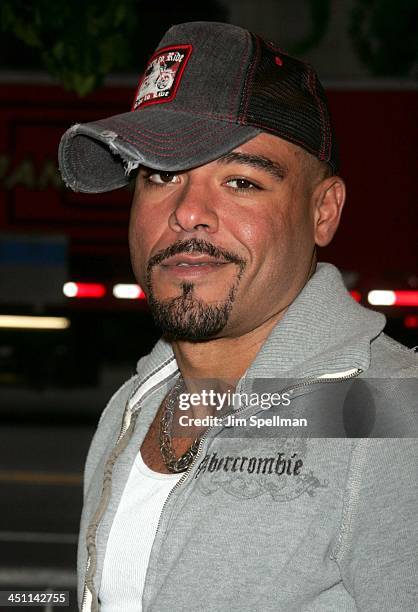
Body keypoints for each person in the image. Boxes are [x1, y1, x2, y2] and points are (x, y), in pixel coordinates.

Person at [59, 21, 418, 612]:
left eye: (240, 181)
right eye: (161, 175)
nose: (188, 213)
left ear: (323, 211)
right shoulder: (132, 408)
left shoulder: (391, 418)